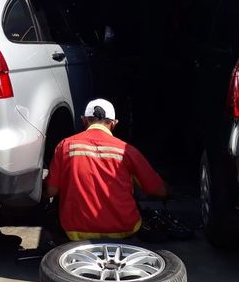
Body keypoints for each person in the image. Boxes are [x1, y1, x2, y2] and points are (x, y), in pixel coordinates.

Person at [45, 98, 167, 240]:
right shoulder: (127, 150)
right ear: (114, 124)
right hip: (125, 229)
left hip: (75, 231)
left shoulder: (65, 146)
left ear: (84, 120)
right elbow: (159, 191)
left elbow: (51, 191)